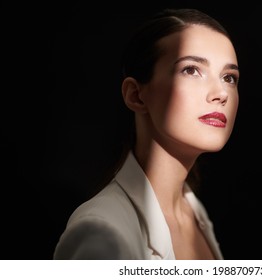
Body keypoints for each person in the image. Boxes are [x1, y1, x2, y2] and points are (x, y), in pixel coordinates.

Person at [53, 8, 240, 260]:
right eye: (191, 70)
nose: (222, 93)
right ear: (135, 94)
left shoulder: (195, 213)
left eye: (229, 77)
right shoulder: (99, 231)